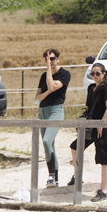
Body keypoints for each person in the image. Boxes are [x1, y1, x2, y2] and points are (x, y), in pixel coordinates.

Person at [68, 62, 107, 202]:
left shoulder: (106, 89)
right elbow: (90, 107)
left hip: (102, 127)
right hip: (90, 125)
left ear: (104, 74)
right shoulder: (91, 88)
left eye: (97, 73)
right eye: (93, 73)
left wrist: (101, 124)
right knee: (75, 146)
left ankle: (103, 191)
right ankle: (78, 176)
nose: (95, 76)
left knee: (103, 158)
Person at [34, 48, 71, 187]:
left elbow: (52, 85)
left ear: (58, 59)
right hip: (43, 112)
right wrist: (48, 91)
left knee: (46, 140)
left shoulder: (64, 74)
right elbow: (37, 98)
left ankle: (50, 175)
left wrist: (49, 70)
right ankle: (55, 180)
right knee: (49, 146)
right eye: (48, 59)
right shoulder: (43, 76)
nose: (51, 61)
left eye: (53, 58)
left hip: (56, 111)